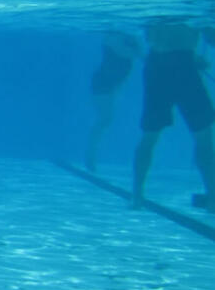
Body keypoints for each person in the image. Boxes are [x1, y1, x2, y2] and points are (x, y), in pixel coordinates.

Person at [131, 19, 215, 210]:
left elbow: (150, 36)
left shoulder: (155, 2)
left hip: (157, 65)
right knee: (203, 135)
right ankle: (213, 197)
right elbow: (211, 37)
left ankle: (136, 196)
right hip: (183, 64)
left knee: (149, 135)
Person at [84, 29, 143, 172]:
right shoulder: (112, 36)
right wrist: (134, 45)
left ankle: (91, 154)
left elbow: (138, 54)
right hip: (102, 83)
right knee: (104, 119)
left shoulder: (130, 36)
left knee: (106, 119)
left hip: (115, 83)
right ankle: (90, 155)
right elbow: (129, 53)